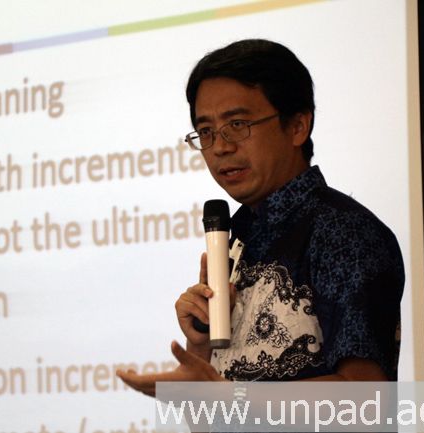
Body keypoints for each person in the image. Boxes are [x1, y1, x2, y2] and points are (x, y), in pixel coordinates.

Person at [117, 39, 404, 395]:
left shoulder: (342, 231)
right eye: (206, 132)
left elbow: (366, 401)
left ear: (297, 126)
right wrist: (200, 349)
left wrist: (228, 395)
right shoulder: (238, 238)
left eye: (237, 124)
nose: (221, 147)